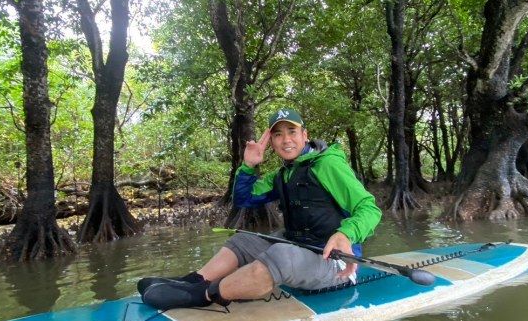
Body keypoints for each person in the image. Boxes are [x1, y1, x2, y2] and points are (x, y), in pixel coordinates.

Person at [138, 107, 382, 309]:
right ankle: (195, 280)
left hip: (336, 263)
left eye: (291, 131)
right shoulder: (283, 175)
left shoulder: (328, 165)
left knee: (281, 255)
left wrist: (345, 233)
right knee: (245, 240)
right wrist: (247, 166)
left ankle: (204, 295)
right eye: (278, 134)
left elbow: (369, 208)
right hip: (299, 246)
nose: (286, 139)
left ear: (304, 135)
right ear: (272, 142)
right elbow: (244, 199)